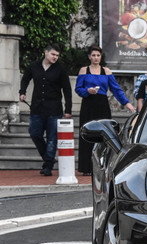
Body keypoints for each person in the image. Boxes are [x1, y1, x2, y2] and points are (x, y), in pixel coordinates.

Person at [75, 45, 135, 175]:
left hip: (102, 103)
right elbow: (78, 89)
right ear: (89, 57)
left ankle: (103, 164)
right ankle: (86, 167)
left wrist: (127, 104)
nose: (96, 58)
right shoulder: (84, 70)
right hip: (88, 103)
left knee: (104, 133)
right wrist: (87, 91)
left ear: (100, 57)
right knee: (87, 133)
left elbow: (116, 89)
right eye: (93, 55)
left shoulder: (106, 71)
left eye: (98, 55)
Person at [19, 43, 73, 176]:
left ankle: (48, 165)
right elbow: (25, 79)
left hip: (54, 109)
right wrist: (22, 92)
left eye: (57, 55)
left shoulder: (60, 69)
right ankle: (48, 159)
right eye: (53, 54)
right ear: (46, 52)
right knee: (34, 133)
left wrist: (68, 109)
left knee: (52, 138)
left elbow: (67, 89)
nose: (55, 57)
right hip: (37, 107)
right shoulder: (34, 66)